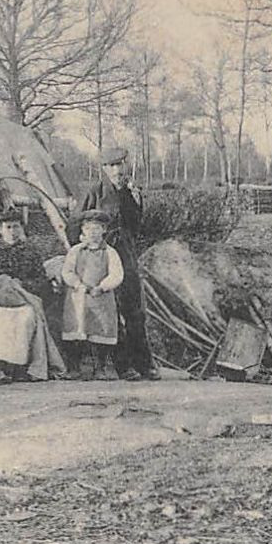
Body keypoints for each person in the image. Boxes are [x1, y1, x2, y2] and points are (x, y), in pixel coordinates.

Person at [79, 147, 158, 380]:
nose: (117, 170)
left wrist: (135, 200)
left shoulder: (131, 192)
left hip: (126, 255)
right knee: (109, 309)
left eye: (121, 165)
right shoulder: (95, 192)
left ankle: (144, 363)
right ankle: (123, 366)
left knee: (134, 309)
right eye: (112, 166)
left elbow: (136, 226)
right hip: (101, 256)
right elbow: (76, 224)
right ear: (104, 168)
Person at [60, 211, 125, 380]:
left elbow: (116, 274)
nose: (93, 233)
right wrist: (77, 284)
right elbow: (67, 271)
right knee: (76, 330)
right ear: (83, 230)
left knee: (101, 332)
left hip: (100, 299)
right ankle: (74, 368)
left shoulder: (110, 252)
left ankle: (100, 368)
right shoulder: (76, 251)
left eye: (97, 229)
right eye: (89, 229)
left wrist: (102, 287)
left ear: (104, 230)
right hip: (78, 297)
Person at [0, 275, 65, 384]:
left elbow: (35, 298)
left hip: (21, 307)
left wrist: (18, 289)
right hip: (0, 308)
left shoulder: (25, 292)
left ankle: (19, 368)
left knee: (24, 325)